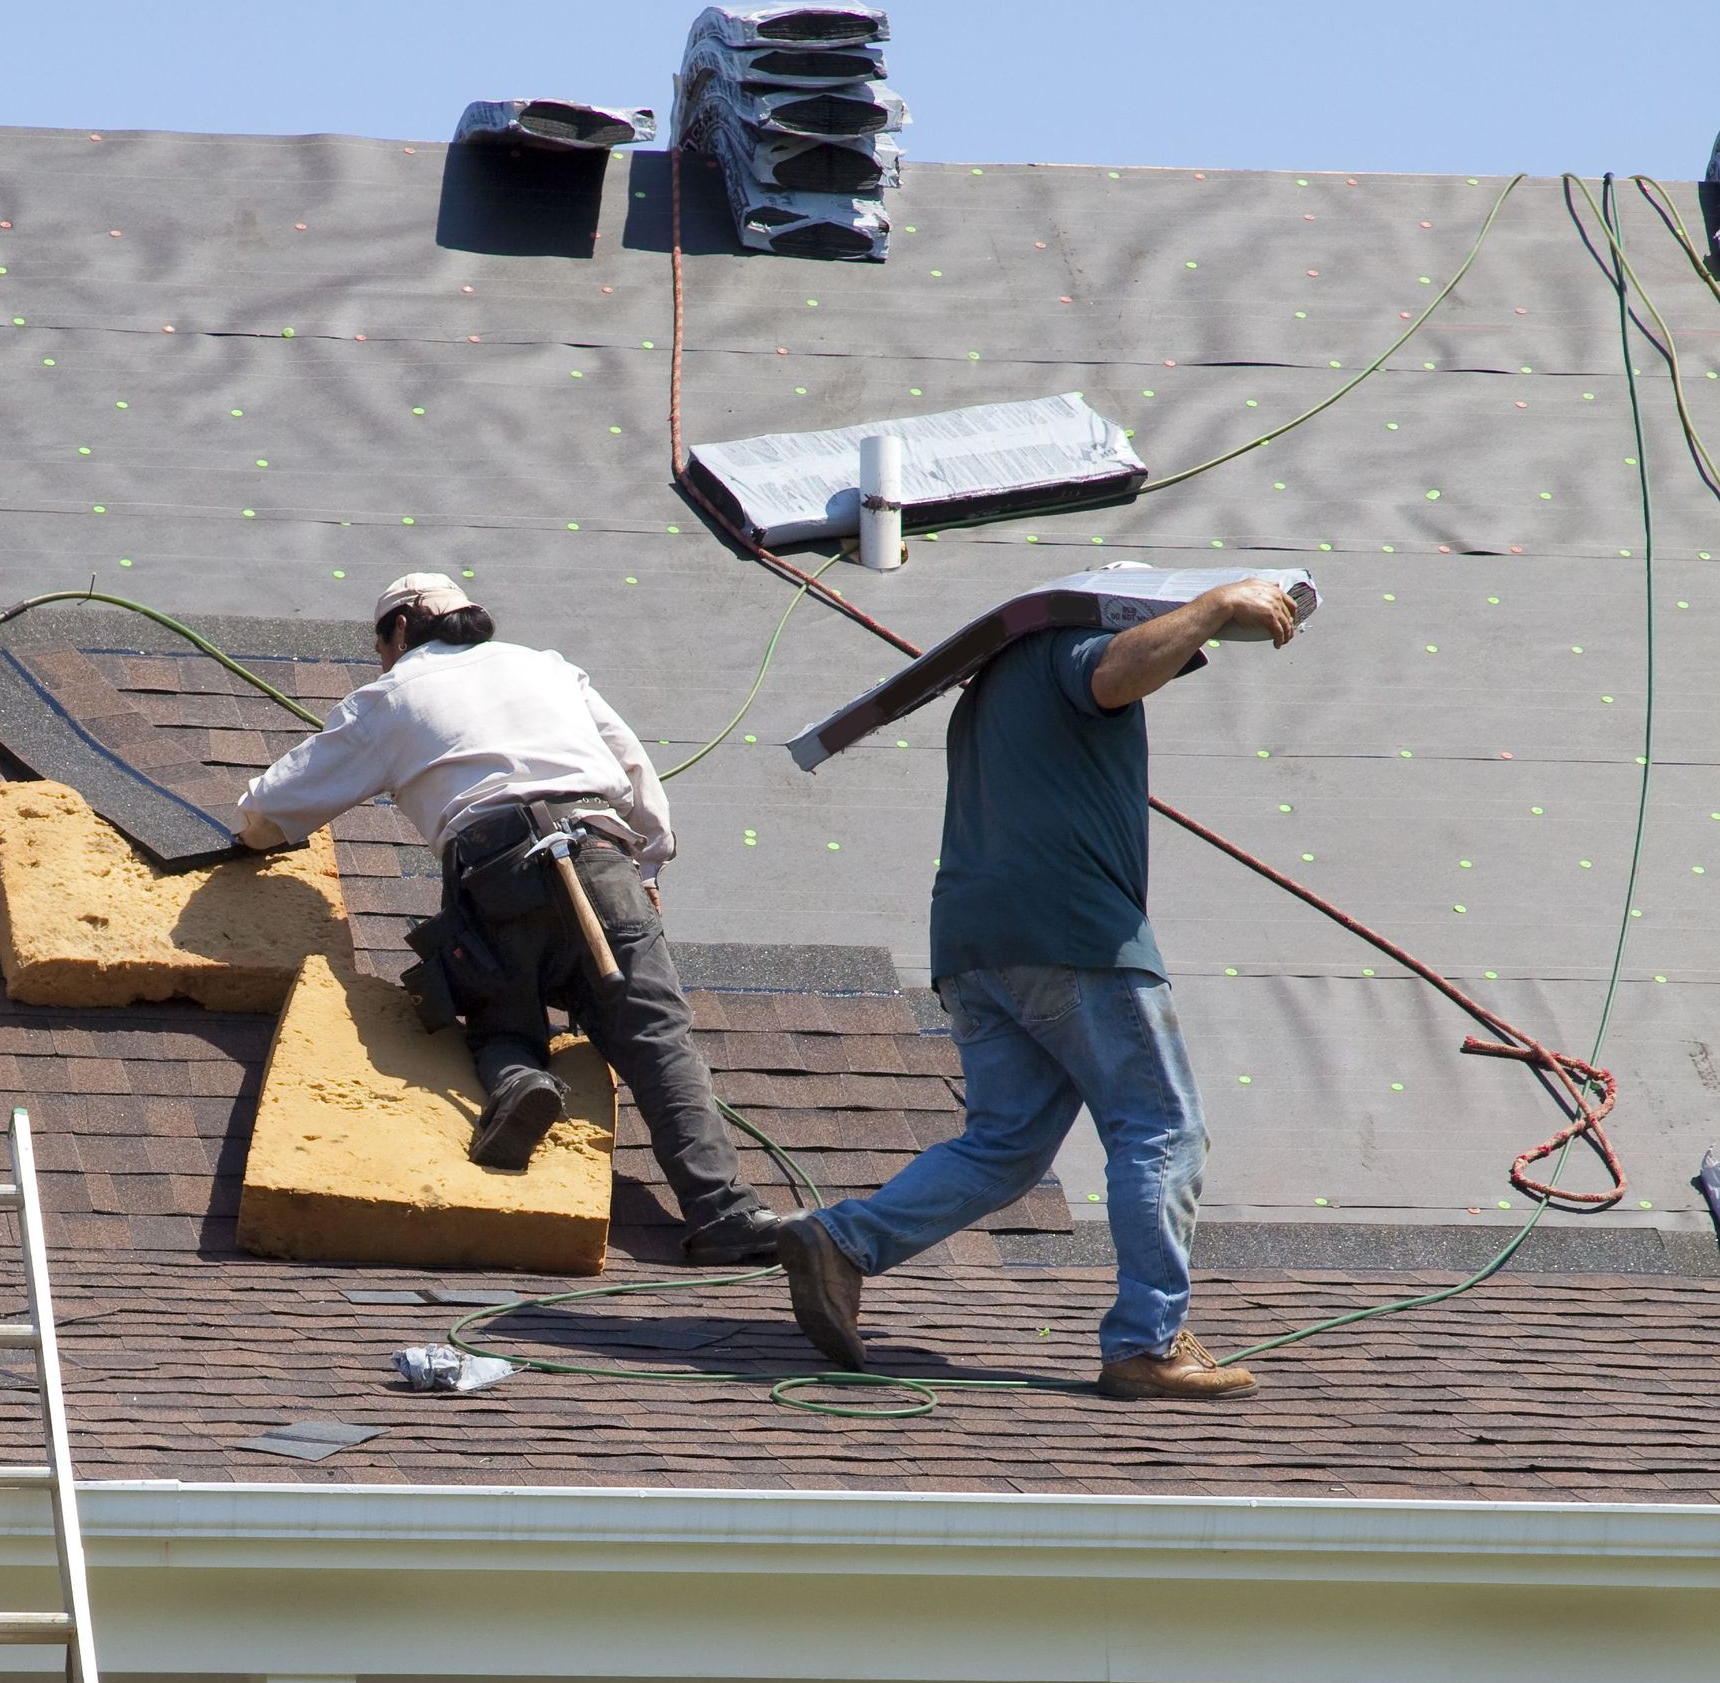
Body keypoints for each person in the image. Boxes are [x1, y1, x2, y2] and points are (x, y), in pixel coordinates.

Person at [775, 574, 1304, 1400]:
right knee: (1161, 1129)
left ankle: (842, 1243)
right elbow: (1115, 672)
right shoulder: (1072, 648)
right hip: (1074, 937)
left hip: (975, 945)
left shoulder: (991, 689)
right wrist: (1212, 605)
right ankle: (1146, 1343)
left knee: (1005, 1146)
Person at [233, 573, 784, 1262]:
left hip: (494, 873)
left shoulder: (392, 695)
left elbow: (274, 807)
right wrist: (648, 867)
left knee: (500, 1017)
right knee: (657, 1039)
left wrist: (245, 831)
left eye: (381, 644)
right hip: (598, 853)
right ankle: (726, 1216)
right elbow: (635, 771)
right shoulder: (546, 667)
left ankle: (519, 1079)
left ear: (400, 630)